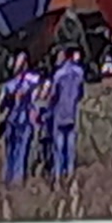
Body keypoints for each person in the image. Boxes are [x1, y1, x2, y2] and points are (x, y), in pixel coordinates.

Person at [43, 43, 87, 180]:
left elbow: (53, 95)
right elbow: (81, 94)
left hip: (59, 113)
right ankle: (70, 175)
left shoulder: (58, 75)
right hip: (72, 113)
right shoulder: (80, 73)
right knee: (70, 148)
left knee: (58, 147)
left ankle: (58, 176)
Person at [0, 55, 43, 185]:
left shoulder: (10, 85)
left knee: (14, 151)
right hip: (20, 121)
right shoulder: (29, 82)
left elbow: (1, 106)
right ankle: (14, 179)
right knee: (19, 151)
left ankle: (11, 178)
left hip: (16, 120)